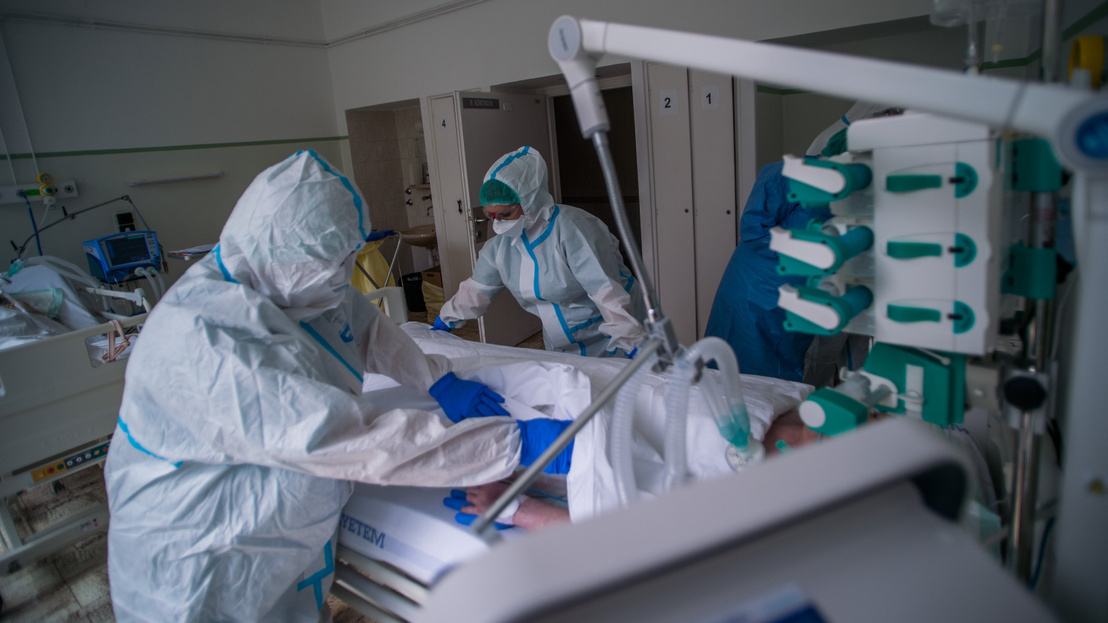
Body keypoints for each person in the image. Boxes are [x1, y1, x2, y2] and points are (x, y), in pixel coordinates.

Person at [103, 150, 575, 622]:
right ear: (282, 253)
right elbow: (354, 439)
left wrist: (438, 379)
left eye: (347, 258)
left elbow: (367, 329)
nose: (341, 277)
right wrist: (512, 444)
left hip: (287, 538)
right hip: (203, 558)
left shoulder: (296, 283)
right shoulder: (205, 340)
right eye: (330, 265)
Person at [704, 103, 889, 384]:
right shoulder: (787, 175)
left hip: (801, 293)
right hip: (757, 290)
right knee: (740, 362)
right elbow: (753, 230)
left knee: (784, 366)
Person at [433, 146, 646, 357]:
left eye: (505, 214)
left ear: (529, 200)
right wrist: (446, 318)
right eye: (492, 216)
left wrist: (632, 340)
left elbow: (606, 292)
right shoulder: (499, 249)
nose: (498, 223)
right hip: (561, 343)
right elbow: (475, 291)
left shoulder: (573, 229)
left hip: (611, 334)